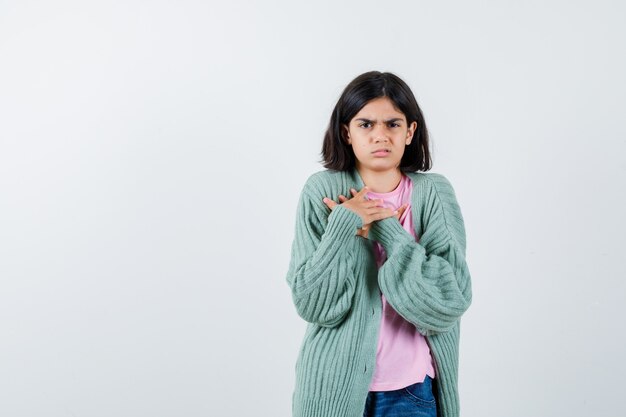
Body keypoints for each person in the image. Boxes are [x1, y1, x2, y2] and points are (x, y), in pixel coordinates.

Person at [285, 71, 472, 417]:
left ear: (410, 131)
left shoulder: (433, 194)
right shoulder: (321, 191)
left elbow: (448, 302)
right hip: (329, 391)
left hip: (411, 393)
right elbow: (313, 305)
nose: (380, 136)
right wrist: (344, 224)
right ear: (347, 132)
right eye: (366, 124)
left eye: (393, 124)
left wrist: (387, 229)